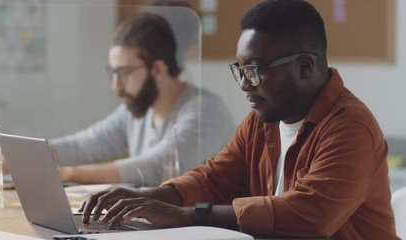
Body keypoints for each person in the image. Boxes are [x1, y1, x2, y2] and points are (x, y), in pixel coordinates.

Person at [78, 0, 399, 239]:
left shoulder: (349, 128)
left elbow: (310, 215)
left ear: (303, 66)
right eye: (241, 70)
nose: (244, 84)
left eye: (254, 70)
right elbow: (214, 178)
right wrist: (148, 197)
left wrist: (186, 215)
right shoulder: (262, 121)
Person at [50, 12, 236, 186]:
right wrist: (37, 153)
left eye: (124, 73)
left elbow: (157, 166)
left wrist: (69, 174)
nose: (116, 86)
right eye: (113, 73)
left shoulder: (207, 111)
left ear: (158, 70)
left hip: (201, 221)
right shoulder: (138, 108)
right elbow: (85, 145)